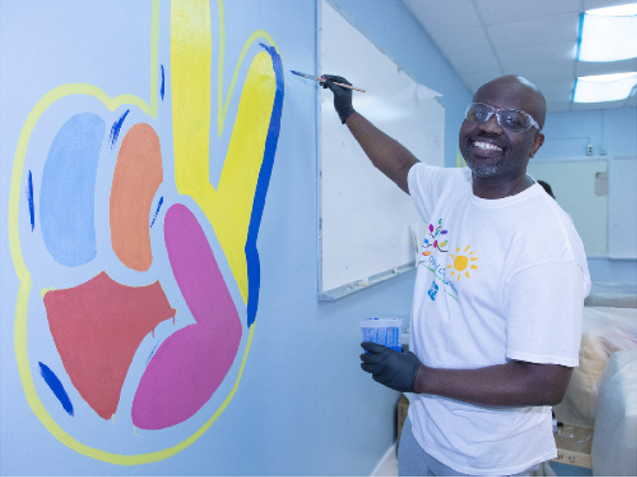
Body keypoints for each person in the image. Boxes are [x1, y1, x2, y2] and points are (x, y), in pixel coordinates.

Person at [322, 74, 590, 476]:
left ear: (536, 144)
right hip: (425, 428)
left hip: (489, 457)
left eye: (513, 120)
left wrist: (420, 375)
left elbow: (543, 382)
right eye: (479, 112)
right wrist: (347, 112)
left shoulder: (545, 242)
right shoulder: (454, 187)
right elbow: (398, 163)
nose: (489, 125)